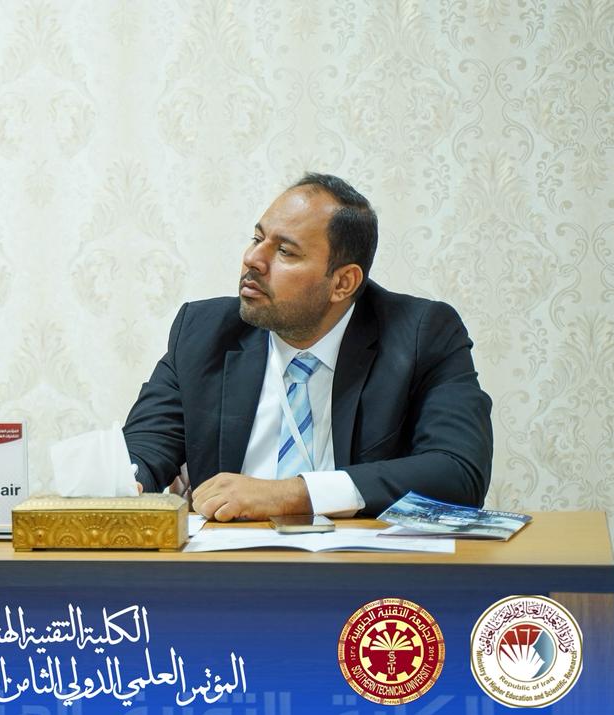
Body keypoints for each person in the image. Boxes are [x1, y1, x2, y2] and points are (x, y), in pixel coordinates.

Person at [123, 173, 492, 521]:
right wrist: (124, 483)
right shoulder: (203, 332)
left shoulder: (421, 335)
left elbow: (459, 472)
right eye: (257, 239)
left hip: (361, 563)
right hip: (228, 561)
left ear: (343, 283)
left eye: (285, 251)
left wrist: (295, 494)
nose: (253, 259)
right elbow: (145, 446)